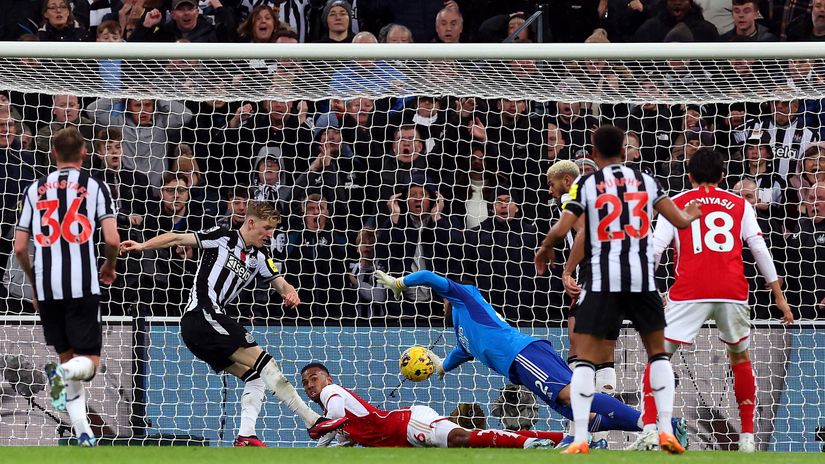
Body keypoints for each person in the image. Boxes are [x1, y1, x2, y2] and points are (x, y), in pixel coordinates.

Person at [374, 269, 689, 448]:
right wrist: (441, 365)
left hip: (524, 353)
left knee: (570, 395)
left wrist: (400, 283)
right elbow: (462, 352)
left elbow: (429, 275)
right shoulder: (460, 330)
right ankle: (658, 428)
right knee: (578, 410)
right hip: (520, 368)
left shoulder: (465, 296)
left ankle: (657, 424)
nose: (441, 300)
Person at [120, 201, 347, 445]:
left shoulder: (260, 257)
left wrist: (290, 292)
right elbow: (176, 238)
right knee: (267, 363)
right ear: (251, 223)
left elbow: (280, 282)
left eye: (272, 230)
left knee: (255, 377)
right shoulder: (221, 237)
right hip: (202, 316)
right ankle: (313, 421)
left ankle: (246, 435)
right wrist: (142, 246)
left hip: (206, 326)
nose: (270, 235)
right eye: (266, 228)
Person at [534, 125, 703, 454]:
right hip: (641, 279)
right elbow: (679, 222)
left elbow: (565, 228)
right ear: (624, 152)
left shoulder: (587, 183)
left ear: (594, 154)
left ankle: (581, 437)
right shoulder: (646, 182)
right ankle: (665, 430)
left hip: (602, 279)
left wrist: (545, 248)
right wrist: (691, 215)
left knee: (583, 358)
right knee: (658, 354)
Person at [628, 147, 795, 453]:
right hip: (732, 291)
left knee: (658, 356)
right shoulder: (740, 204)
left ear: (688, 175)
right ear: (722, 175)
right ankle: (747, 439)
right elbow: (759, 250)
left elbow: (655, 249)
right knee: (740, 358)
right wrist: (780, 298)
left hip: (691, 290)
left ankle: (651, 429)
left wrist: (643, 291)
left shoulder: (676, 203)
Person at [14, 127, 121, 447]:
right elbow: (112, 239)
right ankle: (60, 380)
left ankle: (83, 432)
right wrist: (110, 265)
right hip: (81, 284)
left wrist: (34, 284)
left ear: (53, 154)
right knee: (88, 365)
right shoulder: (94, 186)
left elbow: (20, 247)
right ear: (85, 154)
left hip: (47, 287)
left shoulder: (34, 189)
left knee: (67, 358)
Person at [300, 363, 561, 449]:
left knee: (462, 437)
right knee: (466, 442)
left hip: (409, 423)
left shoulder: (332, 392)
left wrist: (320, 427)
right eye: (305, 383)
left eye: (315, 378)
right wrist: (321, 436)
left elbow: (333, 418)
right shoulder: (337, 417)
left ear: (328, 379)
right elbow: (332, 441)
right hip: (405, 440)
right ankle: (560, 438)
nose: (311, 384)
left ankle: (531, 444)